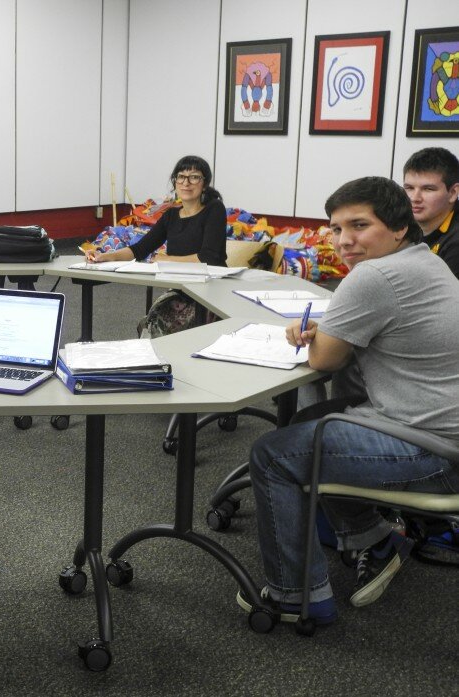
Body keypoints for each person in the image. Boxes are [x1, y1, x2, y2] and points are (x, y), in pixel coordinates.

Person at [239, 177, 459, 627]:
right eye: (336, 229)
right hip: (440, 431)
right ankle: (372, 538)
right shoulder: (426, 260)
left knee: (274, 454)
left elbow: (324, 359)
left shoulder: (374, 276)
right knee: (315, 421)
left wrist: (322, 337)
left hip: (432, 452)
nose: (343, 240)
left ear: (398, 227)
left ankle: (295, 596)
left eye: (358, 225)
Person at [85, 155, 227, 337]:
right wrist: (104, 256)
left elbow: (209, 257)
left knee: (159, 326)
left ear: (204, 183)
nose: (186, 183)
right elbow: (139, 249)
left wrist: (165, 260)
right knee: (150, 321)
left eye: (194, 177)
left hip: (210, 293)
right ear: (175, 182)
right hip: (182, 289)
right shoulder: (171, 216)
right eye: (181, 177)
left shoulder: (214, 209)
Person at [403, 147, 459, 279]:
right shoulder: (399, 224)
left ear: (453, 193)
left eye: (428, 189)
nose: (415, 198)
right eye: (409, 188)